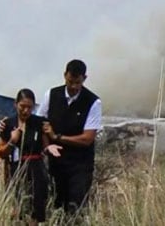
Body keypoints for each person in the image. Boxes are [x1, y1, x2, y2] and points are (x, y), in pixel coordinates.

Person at [36, 59, 102, 217]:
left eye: (77, 83)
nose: (73, 87)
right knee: (57, 207)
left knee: (75, 208)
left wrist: (57, 137)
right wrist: (47, 146)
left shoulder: (93, 102)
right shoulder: (51, 95)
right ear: (65, 75)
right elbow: (40, 123)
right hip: (56, 163)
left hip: (80, 165)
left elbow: (87, 138)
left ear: (84, 79)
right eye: (70, 81)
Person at [0, 89, 62, 225]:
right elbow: (2, 153)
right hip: (16, 170)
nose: (26, 111)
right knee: (18, 209)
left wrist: (49, 147)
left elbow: (45, 145)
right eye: (22, 106)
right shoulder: (8, 124)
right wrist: (12, 141)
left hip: (36, 170)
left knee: (36, 210)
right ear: (15, 104)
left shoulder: (39, 122)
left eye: (30, 107)